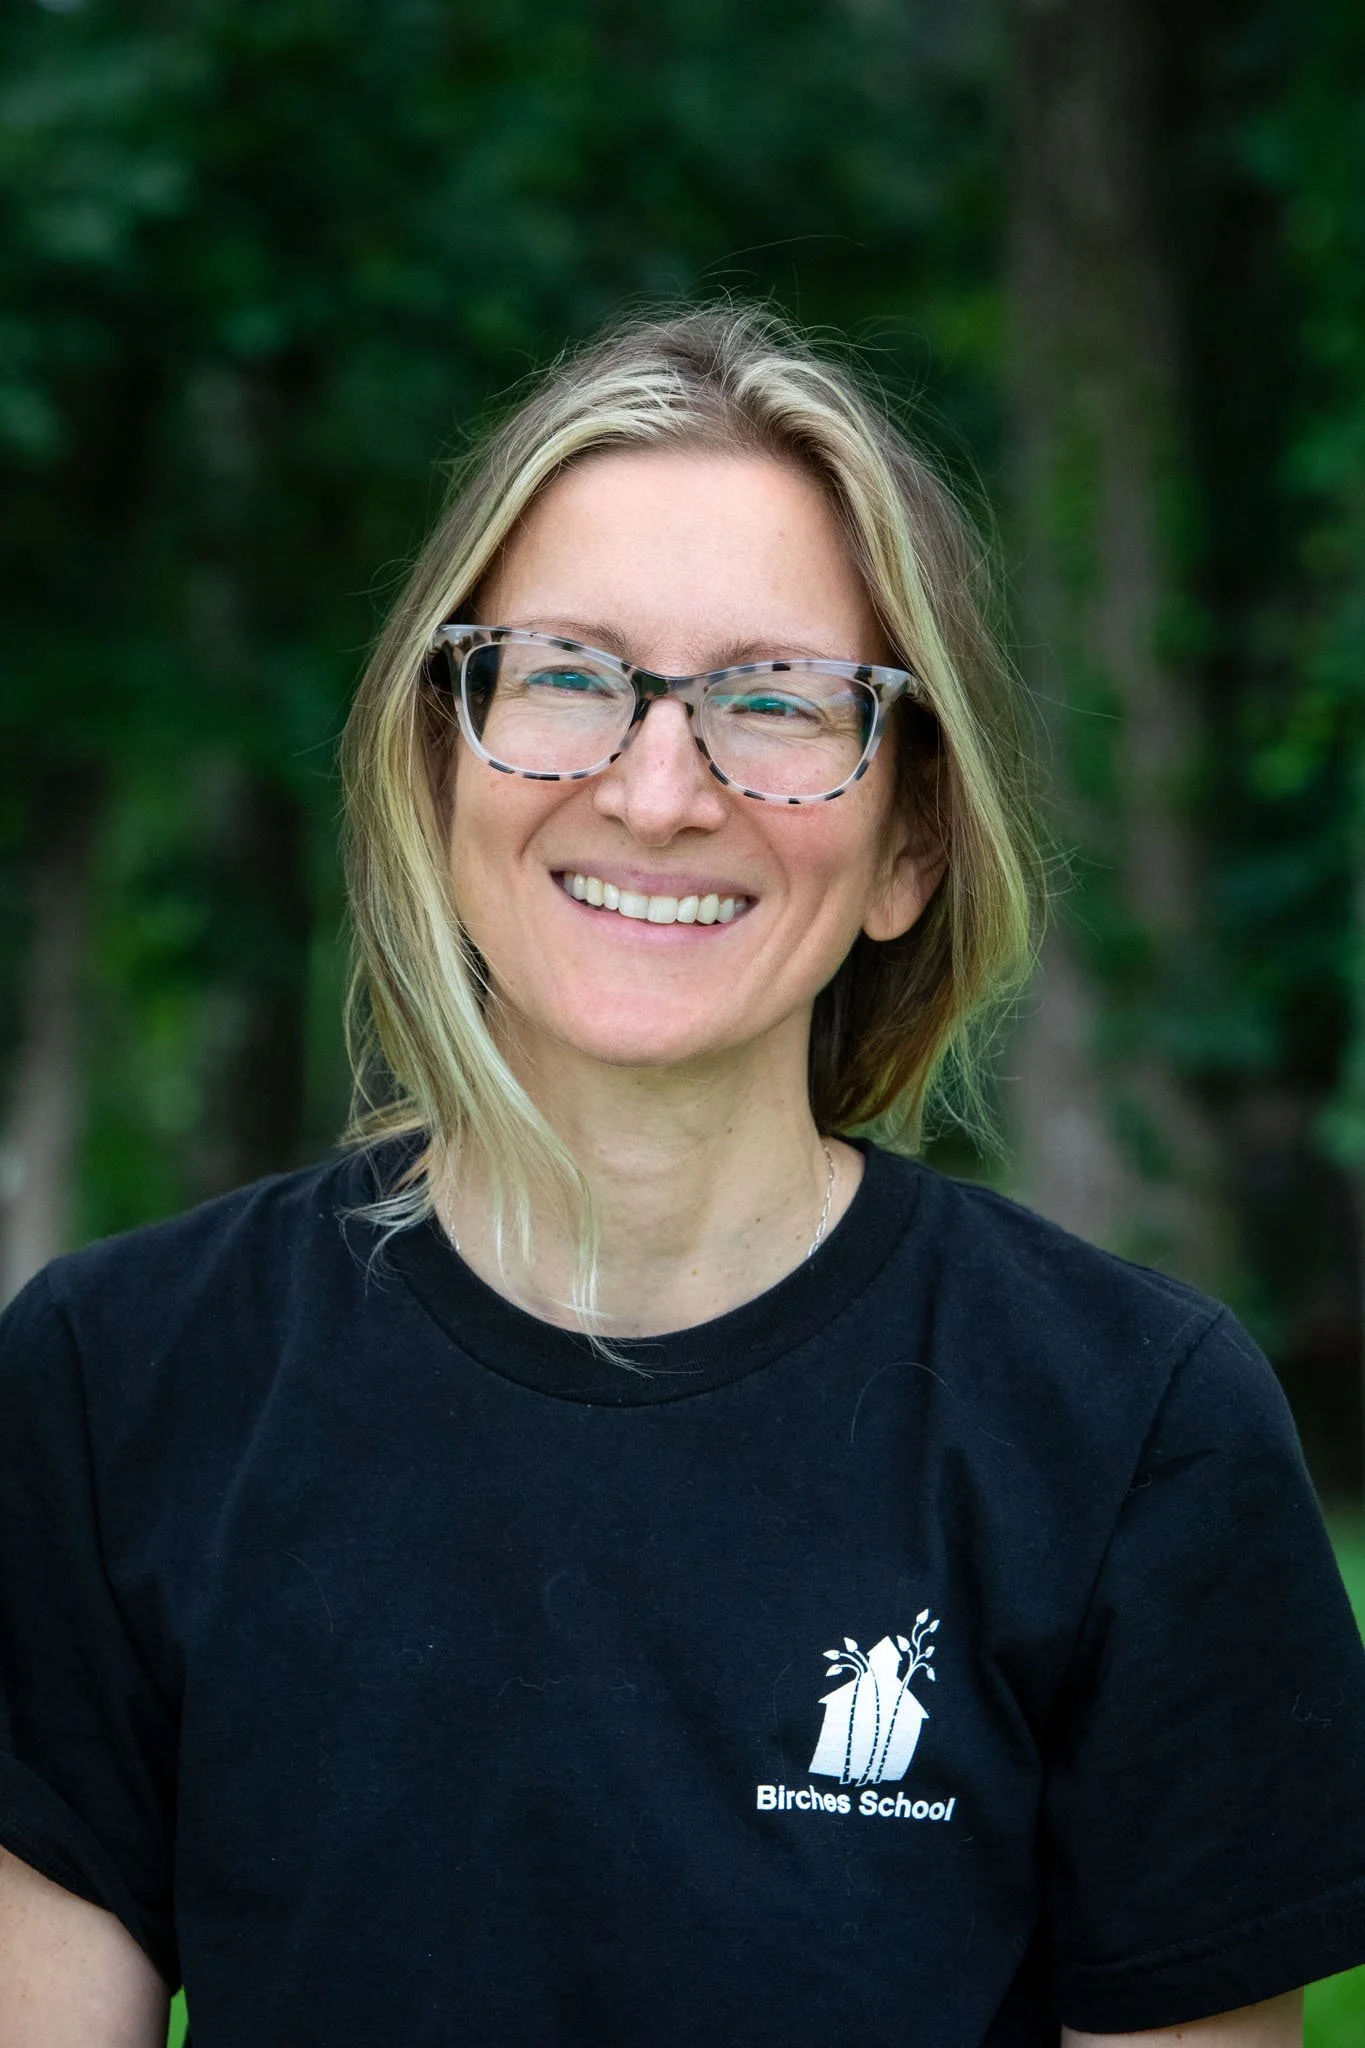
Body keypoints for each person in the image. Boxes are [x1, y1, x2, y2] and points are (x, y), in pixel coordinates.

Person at [1, 305, 1363, 2048]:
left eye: (775, 701)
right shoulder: (115, 1389)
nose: (658, 794)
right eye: (569, 675)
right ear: (439, 764)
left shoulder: (1131, 1432)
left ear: (912, 844)